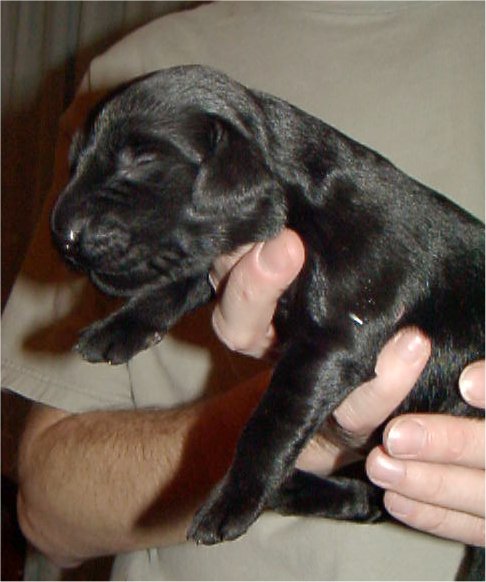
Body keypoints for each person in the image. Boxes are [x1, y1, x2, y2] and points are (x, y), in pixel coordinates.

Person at [2, 2, 484, 580]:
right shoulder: (136, 73)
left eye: (138, 161)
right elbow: (45, 510)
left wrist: (258, 463)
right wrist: (319, 429)